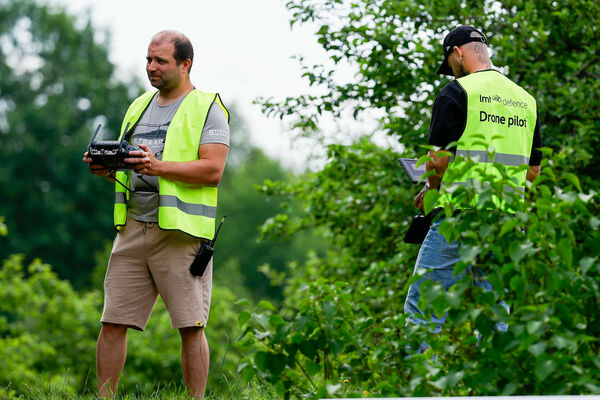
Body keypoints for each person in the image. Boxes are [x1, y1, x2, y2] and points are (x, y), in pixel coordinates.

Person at [83, 30, 230, 399]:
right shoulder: (137, 106)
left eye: (160, 61)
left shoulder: (209, 107)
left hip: (180, 233)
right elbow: (131, 165)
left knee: (191, 325)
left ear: (185, 64)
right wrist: (107, 167)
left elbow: (213, 170)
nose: (152, 67)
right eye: (148, 59)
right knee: (112, 321)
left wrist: (159, 167)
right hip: (132, 227)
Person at [404, 26, 542, 334]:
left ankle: (424, 381)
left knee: (424, 308)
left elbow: (437, 162)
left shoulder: (456, 92)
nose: (451, 74)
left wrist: (431, 191)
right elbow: (533, 173)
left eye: (450, 66)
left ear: (457, 52)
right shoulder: (525, 100)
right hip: (505, 222)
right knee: (496, 314)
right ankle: (497, 382)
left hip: (459, 217)